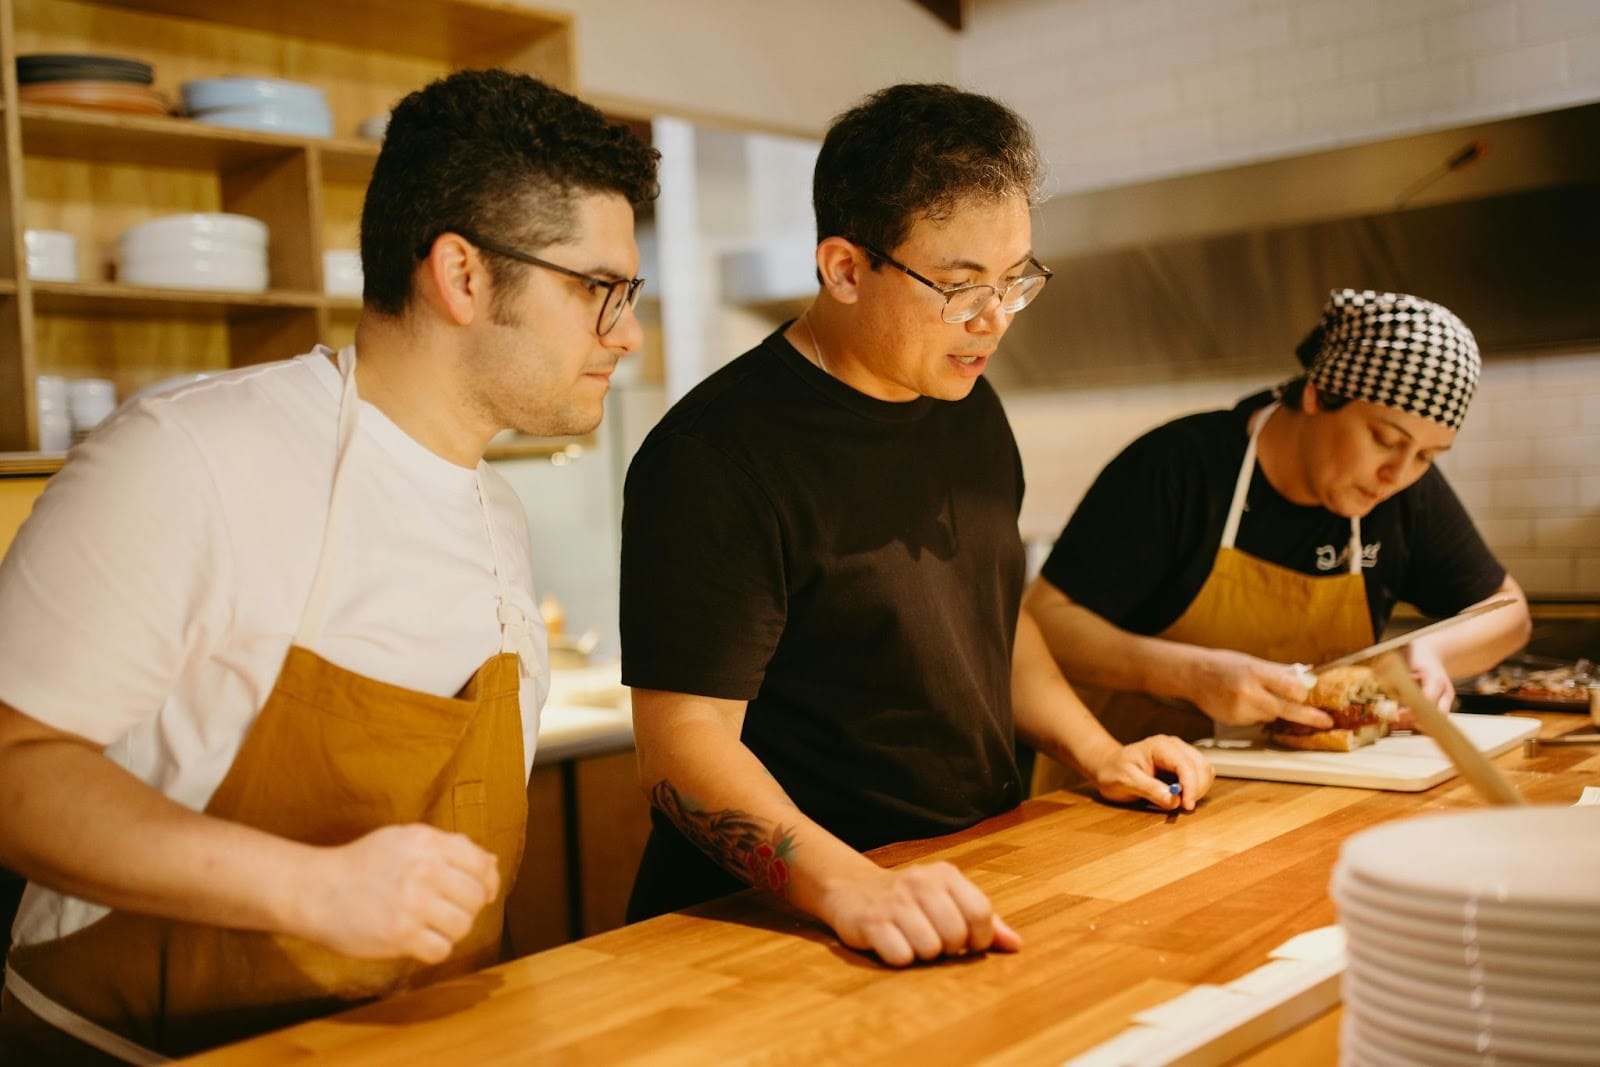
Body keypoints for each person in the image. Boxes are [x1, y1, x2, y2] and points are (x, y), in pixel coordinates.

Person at [0, 69, 658, 1062]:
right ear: (464, 274)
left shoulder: (499, 511)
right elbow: (11, 765)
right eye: (598, 290)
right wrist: (310, 889)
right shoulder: (191, 456)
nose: (629, 332)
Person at [618, 83, 1214, 970]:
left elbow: (992, 621)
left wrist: (1100, 753)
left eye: (1017, 279)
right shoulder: (716, 455)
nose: (996, 319)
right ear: (846, 268)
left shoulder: (967, 406)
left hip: (964, 874)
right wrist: (850, 885)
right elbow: (681, 748)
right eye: (962, 285)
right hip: (780, 923)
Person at [1024, 288, 1531, 776]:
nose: (1397, 474)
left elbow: (1510, 615)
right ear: (1317, 395)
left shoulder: (1405, 494)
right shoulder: (1179, 467)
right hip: (1132, 788)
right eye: (1383, 439)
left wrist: (1426, 655)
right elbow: (1046, 623)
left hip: (1295, 791)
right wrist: (1193, 675)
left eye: (1426, 456)